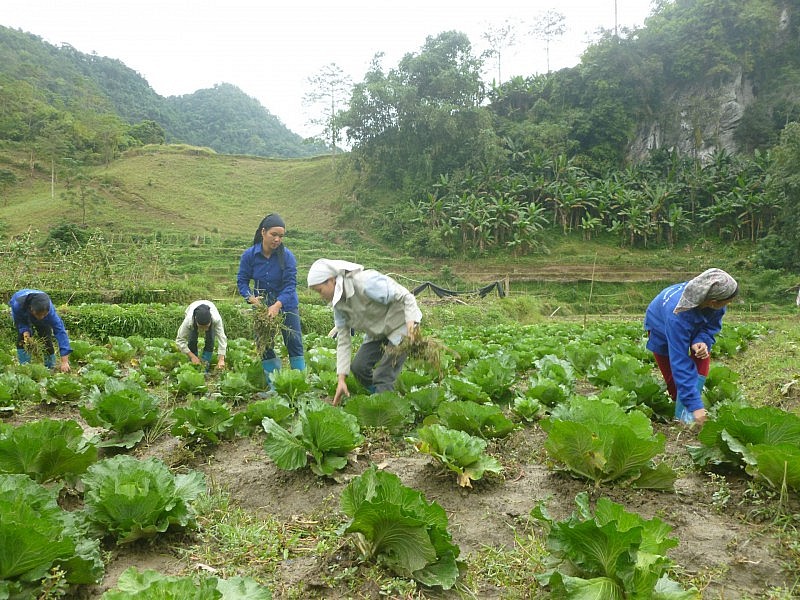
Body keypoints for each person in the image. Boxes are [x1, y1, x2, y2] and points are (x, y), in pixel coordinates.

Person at [307, 259, 422, 406]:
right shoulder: (339, 305)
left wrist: (411, 327)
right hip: (377, 331)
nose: (321, 296)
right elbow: (343, 340)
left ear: (331, 281)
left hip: (402, 325)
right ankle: (381, 395)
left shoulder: (366, 283)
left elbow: (407, 297)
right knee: (359, 367)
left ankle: (385, 412)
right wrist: (341, 379)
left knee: (384, 375)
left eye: (320, 291)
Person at [644, 268, 739, 426]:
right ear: (713, 302)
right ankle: (683, 417)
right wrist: (696, 406)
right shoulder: (677, 316)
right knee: (673, 377)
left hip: (688, 321)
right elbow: (679, 361)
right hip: (659, 326)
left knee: (702, 356)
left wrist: (701, 339)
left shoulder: (712, 299)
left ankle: (688, 413)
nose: (728, 305)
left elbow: (712, 326)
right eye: (727, 302)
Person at [237, 213, 305, 385]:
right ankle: (273, 386)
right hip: (261, 306)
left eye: (280, 236)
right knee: (265, 344)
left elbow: (290, 285)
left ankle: (299, 383)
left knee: (294, 341)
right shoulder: (249, 256)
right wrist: (251, 299)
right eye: (273, 235)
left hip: (286, 304)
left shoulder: (287, 256)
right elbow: (242, 281)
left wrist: (277, 305)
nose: (277, 239)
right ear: (263, 232)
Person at [9, 289, 72, 372]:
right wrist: (25, 330)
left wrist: (64, 361)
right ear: (31, 309)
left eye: (44, 314)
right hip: (22, 311)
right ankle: (24, 368)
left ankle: (50, 368)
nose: (41, 317)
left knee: (46, 338)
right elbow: (20, 321)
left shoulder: (49, 312)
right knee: (23, 340)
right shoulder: (18, 305)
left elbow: (60, 332)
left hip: (40, 312)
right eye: (39, 314)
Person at [175, 300, 227, 370]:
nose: (204, 329)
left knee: (210, 339)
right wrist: (192, 356)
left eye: (207, 326)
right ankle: (194, 362)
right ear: (196, 321)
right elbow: (179, 340)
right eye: (201, 327)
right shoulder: (189, 321)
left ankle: (205, 364)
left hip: (210, 306)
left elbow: (222, 338)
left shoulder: (216, 319)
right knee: (192, 340)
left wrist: (221, 359)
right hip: (193, 307)